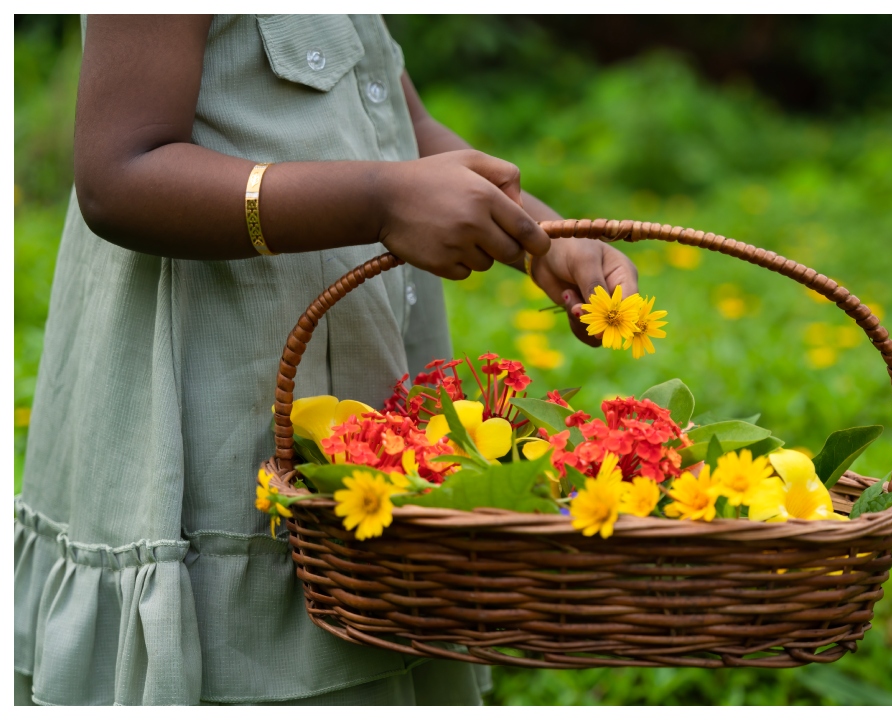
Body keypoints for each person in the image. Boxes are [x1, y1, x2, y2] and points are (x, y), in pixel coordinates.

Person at [14, 14, 638, 706]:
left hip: (358, 397)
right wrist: (378, 202)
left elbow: (400, 125)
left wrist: (541, 235)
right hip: (213, 434)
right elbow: (120, 176)